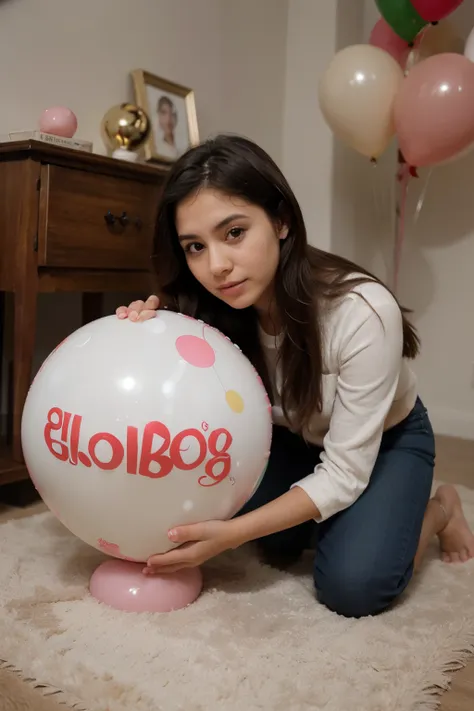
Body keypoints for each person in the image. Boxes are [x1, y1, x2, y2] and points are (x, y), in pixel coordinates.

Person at [116, 134, 474, 618]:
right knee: (272, 542)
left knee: (354, 587)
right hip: (288, 440)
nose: (217, 266)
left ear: (281, 220)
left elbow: (345, 473)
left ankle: (439, 510)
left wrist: (233, 536)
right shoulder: (208, 311)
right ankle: (338, 525)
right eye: (195, 247)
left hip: (385, 440)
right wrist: (147, 333)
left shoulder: (361, 311)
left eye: (235, 233)